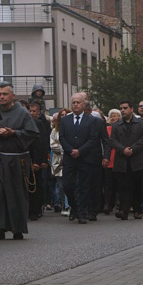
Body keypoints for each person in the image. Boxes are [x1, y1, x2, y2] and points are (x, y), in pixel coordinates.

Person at [0, 82, 39, 240]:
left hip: (17, 159)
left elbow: (31, 133)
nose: (2, 97)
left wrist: (13, 133)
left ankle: (17, 228)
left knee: (16, 193)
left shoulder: (22, 112)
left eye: (5, 94)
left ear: (12, 96)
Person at [58, 92, 102, 223]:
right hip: (69, 157)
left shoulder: (92, 120)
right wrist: (70, 150)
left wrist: (80, 151)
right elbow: (62, 137)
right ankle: (74, 206)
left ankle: (82, 213)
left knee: (84, 187)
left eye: (78, 102)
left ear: (84, 104)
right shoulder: (65, 120)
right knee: (67, 185)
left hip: (85, 157)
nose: (76, 105)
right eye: (74, 102)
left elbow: (93, 138)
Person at [110, 101, 143, 220]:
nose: (123, 110)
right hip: (122, 160)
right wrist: (123, 150)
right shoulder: (116, 125)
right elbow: (113, 140)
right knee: (123, 186)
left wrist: (132, 149)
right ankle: (124, 210)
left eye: (125, 108)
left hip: (137, 159)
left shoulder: (141, 123)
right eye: (121, 108)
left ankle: (137, 210)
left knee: (137, 186)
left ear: (131, 109)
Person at [49, 110, 69, 214]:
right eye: (63, 115)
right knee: (61, 186)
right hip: (58, 161)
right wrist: (64, 148)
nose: (64, 117)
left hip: (70, 160)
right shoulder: (54, 131)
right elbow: (53, 145)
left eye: (66, 115)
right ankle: (63, 205)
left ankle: (69, 205)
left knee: (69, 184)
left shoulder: (72, 129)